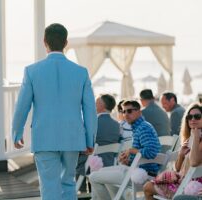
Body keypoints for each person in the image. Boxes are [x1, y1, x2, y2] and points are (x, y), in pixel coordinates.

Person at [12, 23, 97, 200]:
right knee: (68, 181)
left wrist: (16, 132)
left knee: (49, 184)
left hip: (44, 136)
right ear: (66, 42)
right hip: (73, 136)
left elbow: (22, 106)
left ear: (45, 42)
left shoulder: (32, 71)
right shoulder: (81, 72)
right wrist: (90, 139)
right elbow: (89, 109)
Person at [89, 100, 161, 200]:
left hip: (142, 174)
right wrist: (128, 161)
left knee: (93, 177)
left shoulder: (143, 128)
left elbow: (151, 152)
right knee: (102, 173)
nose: (126, 114)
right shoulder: (140, 127)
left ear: (139, 112)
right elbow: (142, 156)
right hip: (138, 170)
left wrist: (131, 151)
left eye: (130, 111)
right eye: (123, 111)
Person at [143, 103, 202, 200]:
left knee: (148, 188)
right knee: (147, 186)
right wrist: (181, 155)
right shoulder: (189, 139)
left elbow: (194, 162)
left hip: (194, 185)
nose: (193, 119)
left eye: (197, 116)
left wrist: (196, 136)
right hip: (182, 180)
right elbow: (178, 169)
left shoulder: (196, 138)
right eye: (189, 117)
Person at [76, 94, 120, 193]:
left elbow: (82, 144)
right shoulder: (117, 125)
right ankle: (93, 192)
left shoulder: (91, 123)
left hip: (91, 164)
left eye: (95, 103)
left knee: (77, 160)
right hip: (110, 164)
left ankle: (82, 194)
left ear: (101, 105)